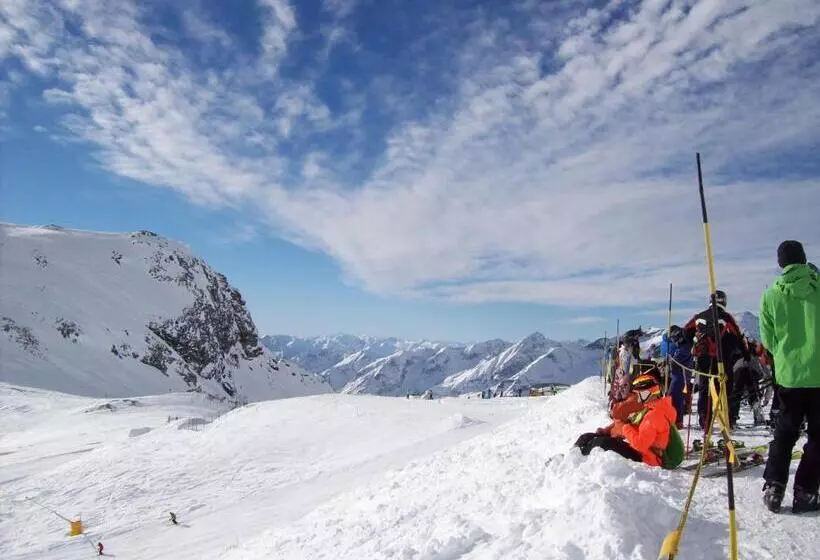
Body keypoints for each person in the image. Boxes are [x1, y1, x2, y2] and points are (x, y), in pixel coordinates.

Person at [760, 240, 820, 513]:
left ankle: (774, 487)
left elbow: (768, 339)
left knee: (784, 433)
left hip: (789, 376)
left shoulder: (771, 294)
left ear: (780, 263)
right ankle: (805, 492)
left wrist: (785, 357)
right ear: (804, 259)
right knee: (817, 437)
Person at [575, 374, 681, 468]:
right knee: (595, 439)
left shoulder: (653, 415)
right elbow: (637, 428)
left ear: (648, 393)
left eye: (639, 394)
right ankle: (575, 457)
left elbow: (641, 444)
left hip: (647, 458)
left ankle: (577, 461)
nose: (637, 397)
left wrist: (625, 428)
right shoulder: (653, 409)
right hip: (645, 454)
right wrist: (614, 430)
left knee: (602, 442)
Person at [683, 290, 749, 430]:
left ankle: (704, 421)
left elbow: (685, 331)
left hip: (703, 359)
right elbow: (739, 336)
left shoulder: (699, 316)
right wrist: (746, 355)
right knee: (724, 390)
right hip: (722, 360)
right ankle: (726, 420)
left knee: (704, 389)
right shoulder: (726, 317)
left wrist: (693, 341)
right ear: (724, 302)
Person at [660, 325, 692, 428]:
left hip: (680, 377)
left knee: (675, 397)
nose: (674, 341)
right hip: (677, 376)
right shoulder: (681, 347)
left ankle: (677, 421)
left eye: (674, 339)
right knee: (673, 397)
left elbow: (675, 361)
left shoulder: (684, 348)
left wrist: (669, 361)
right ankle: (675, 420)